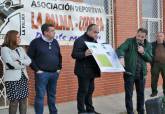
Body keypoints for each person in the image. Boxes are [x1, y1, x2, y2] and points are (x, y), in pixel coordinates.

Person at [27, 23, 62, 114]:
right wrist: (37, 70)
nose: (54, 32)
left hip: (54, 74)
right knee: (40, 96)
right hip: (42, 74)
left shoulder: (55, 42)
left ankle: (53, 112)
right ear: (45, 32)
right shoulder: (35, 42)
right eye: (52, 31)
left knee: (52, 95)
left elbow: (59, 56)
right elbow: (29, 58)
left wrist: (59, 68)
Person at [116, 28, 152, 114]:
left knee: (141, 94)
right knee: (129, 94)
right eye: (138, 35)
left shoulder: (148, 45)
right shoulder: (129, 41)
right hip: (129, 73)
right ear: (136, 34)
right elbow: (120, 49)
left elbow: (150, 58)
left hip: (141, 74)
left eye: (142, 37)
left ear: (145, 37)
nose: (139, 38)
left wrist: (143, 52)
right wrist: (121, 57)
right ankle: (130, 112)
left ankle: (141, 111)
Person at [71, 24, 101, 114]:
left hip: (92, 71)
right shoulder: (80, 40)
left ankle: (90, 109)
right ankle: (81, 111)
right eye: (95, 32)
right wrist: (84, 53)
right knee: (83, 91)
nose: (96, 34)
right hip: (83, 71)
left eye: (98, 32)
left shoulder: (94, 41)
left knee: (90, 90)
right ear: (89, 31)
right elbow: (74, 54)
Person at [1, 30, 31, 114]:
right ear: (12, 38)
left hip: (23, 77)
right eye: (18, 37)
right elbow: (10, 65)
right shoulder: (4, 49)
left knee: (24, 101)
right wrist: (22, 63)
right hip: (12, 80)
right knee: (14, 103)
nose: (19, 38)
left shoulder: (21, 48)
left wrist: (19, 61)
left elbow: (29, 61)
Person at [150, 32, 165, 97]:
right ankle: (154, 92)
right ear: (156, 37)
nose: (159, 37)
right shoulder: (152, 44)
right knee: (154, 79)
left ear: (163, 37)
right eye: (158, 36)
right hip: (155, 64)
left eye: (161, 36)